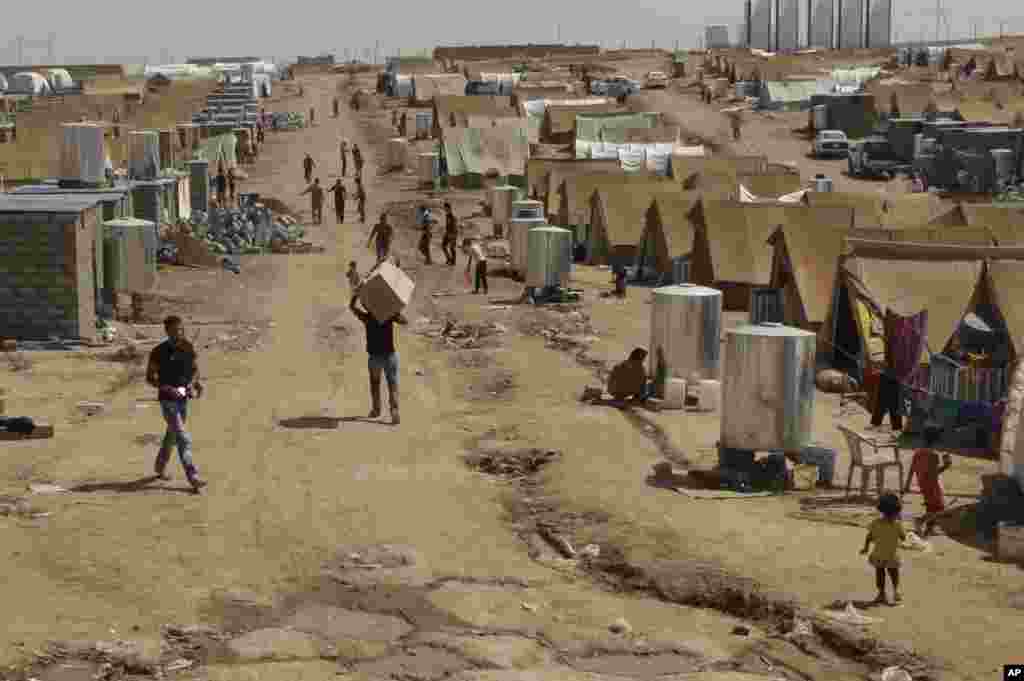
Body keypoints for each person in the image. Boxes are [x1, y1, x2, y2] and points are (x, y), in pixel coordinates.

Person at [146, 316, 206, 494]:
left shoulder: (188, 347)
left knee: (172, 434)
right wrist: (166, 387)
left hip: (183, 399)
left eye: (180, 330)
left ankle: (159, 466)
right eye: (173, 331)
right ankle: (193, 475)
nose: (178, 333)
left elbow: (195, 369)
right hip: (167, 400)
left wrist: (195, 383)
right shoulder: (158, 351)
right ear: (166, 331)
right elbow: (149, 378)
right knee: (182, 437)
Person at [350, 292, 408, 425]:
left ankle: (376, 410)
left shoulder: (366, 317)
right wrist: (394, 309)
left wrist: (356, 295)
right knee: (392, 384)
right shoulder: (388, 315)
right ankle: (394, 411)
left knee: (375, 384)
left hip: (374, 357)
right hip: (390, 356)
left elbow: (352, 307)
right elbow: (405, 321)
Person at [903, 427, 952, 536]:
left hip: (922, 483)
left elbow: (912, 469)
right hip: (932, 485)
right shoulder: (934, 456)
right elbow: (933, 474)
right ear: (936, 441)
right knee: (939, 508)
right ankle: (920, 521)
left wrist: (907, 485)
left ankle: (930, 529)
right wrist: (946, 466)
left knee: (931, 506)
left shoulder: (918, 452)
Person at [861, 492, 906, 605]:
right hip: (892, 556)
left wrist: (866, 548)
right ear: (897, 512)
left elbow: (869, 537)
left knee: (880, 574)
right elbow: (903, 537)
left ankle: (881, 593)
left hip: (878, 555)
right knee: (894, 574)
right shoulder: (897, 525)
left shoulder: (876, 523)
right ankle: (895, 591)